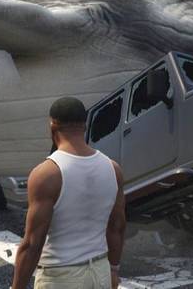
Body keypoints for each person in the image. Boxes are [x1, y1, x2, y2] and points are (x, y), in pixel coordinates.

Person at [12, 97, 126, 289]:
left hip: (61, 277)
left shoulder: (47, 174)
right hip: (100, 273)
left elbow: (33, 243)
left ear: (52, 126)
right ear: (85, 125)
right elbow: (117, 226)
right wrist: (113, 270)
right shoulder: (112, 168)